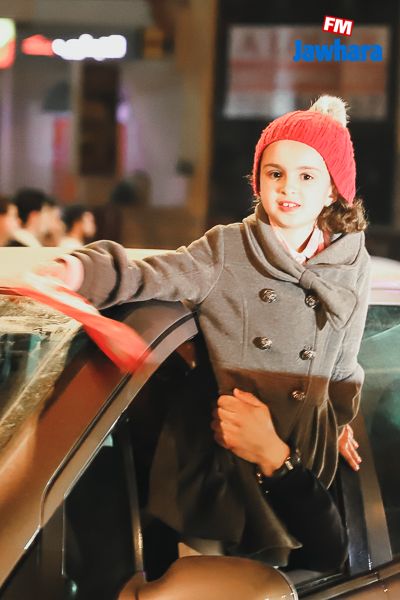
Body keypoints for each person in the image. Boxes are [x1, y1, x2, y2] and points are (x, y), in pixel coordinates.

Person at [37, 96, 370, 571]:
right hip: (225, 463)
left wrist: (335, 423)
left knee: (301, 575)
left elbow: (344, 363)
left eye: (306, 176)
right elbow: (150, 274)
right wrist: (76, 271)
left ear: (334, 189)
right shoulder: (230, 248)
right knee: (212, 578)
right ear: (258, 180)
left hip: (303, 455)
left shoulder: (351, 262)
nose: (287, 188)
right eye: (274, 173)